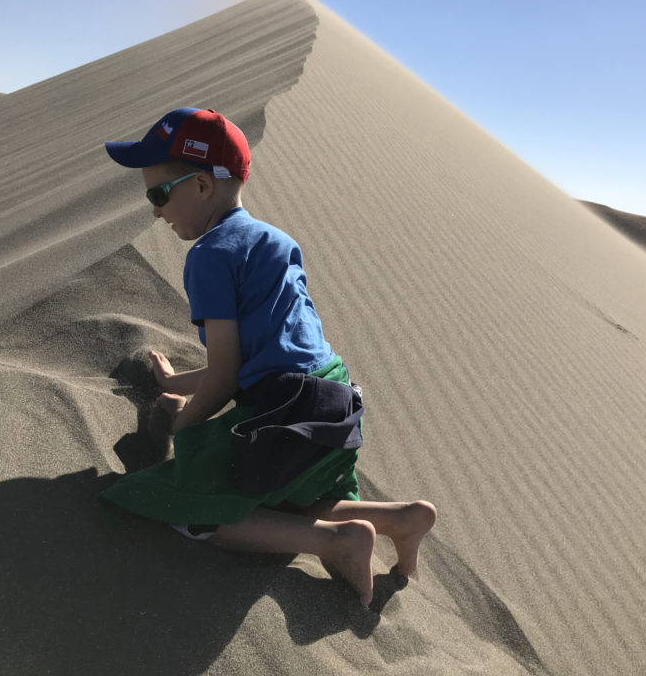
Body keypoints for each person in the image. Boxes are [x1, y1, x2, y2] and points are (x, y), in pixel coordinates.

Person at [99, 108, 435, 607]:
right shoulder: (277, 240)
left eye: (159, 194)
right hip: (335, 396)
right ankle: (400, 519)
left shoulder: (210, 255)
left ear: (203, 187)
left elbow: (227, 376)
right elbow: (269, 356)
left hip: (283, 407)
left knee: (189, 508)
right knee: (294, 496)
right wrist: (178, 379)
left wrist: (180, 427)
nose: (155, 211)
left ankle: (336, 541)